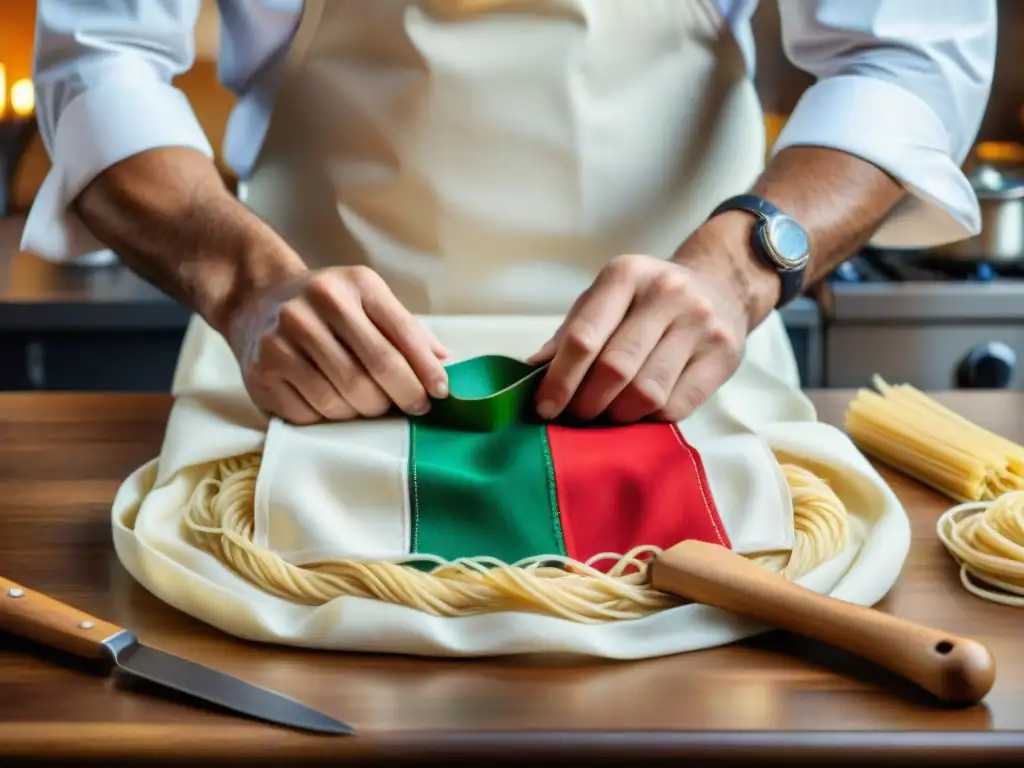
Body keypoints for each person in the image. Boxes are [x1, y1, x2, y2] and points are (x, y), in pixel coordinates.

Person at [25, 0, 995, 426]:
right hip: (301, 381)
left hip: (696, 370)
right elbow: (98, 58)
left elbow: (902, 55)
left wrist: (740, 267)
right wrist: (247, 288)